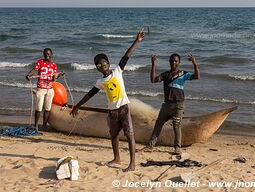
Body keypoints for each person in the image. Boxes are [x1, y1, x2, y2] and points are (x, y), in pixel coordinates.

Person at [70, 28, 144, 172]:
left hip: (124, 108)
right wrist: (77, 106)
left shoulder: (118, 71)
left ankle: (132, 164)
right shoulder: (100, 81)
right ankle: (117, 158)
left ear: (108, 64)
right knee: (114, 135)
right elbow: (90, 94)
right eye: (99, 66)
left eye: (104, 64)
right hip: (112, 112)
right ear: (97, 69)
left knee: (129, 135)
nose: (102, 67)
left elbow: (126, 55)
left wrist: (137, 41)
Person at [142, 53, 200, 155]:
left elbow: (197, 76)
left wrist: (194, 63)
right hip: (166, 105)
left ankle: (177, 148)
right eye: (172, 61)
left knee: (176, 126)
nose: (173, 62)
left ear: (179, 62)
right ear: (169, 62)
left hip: (178, 105)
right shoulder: (165, 75)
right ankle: (150, 145)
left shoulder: (183, 74)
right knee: (158, 125)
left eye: (176, 61)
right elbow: (153, 80)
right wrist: (153, 65)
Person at [26, 48, 65, 130]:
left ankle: (44, 125)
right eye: (46, 53)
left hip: (50, 89)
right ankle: (35, 126)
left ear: (51, 54)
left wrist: (60, 74)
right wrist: (29, 75)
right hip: (41, 88)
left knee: (47, 108)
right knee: (39, 108)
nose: (47, 55)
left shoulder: (54, 65)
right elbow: (34, 70)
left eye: (49, 54)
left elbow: (54, 79)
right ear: (43, 54)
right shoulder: (40, 62)